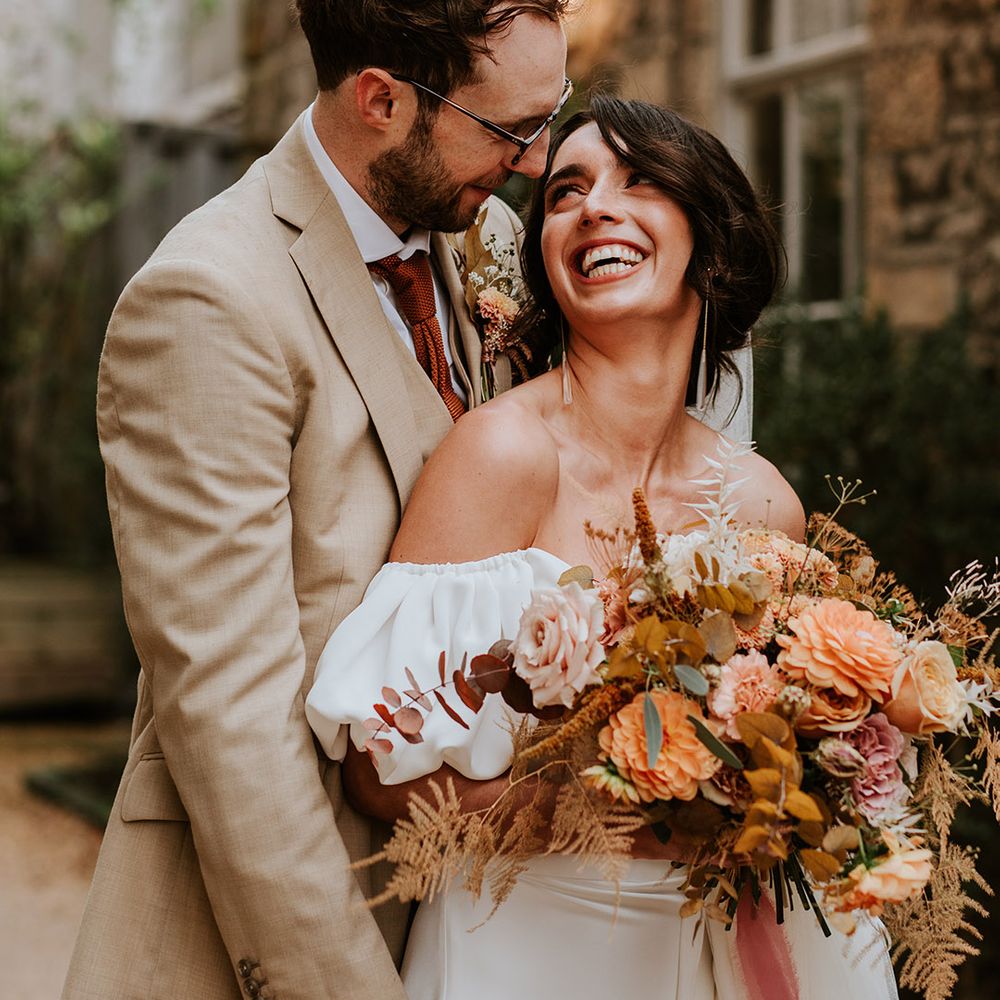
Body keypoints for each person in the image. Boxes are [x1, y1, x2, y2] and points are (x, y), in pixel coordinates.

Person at [306, 96, 900, 999]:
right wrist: (624, 808)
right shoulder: (504, 456)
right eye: (565, 193)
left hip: (715, 959)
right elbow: (377, 776)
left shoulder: (759, 502)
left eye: (640, 181)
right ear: (549, 259)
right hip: (520, 952)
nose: (593, 208)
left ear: (712, 237)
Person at [62, 4, 572, 999]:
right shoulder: (209, 301)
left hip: (474, 918)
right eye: (510, 130)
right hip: (281, 927)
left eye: (551, 117)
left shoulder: (489, 240)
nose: (535, 161)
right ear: (379, 99)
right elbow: (230, 716)